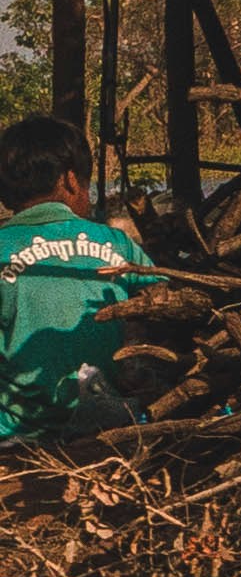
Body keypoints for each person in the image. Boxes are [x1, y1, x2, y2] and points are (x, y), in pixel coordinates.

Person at [0, 119, 149, 443]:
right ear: (70, 180)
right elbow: (163, 297)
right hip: (110, 424)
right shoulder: (116, 243)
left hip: (16, 434)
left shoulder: (2, 248)